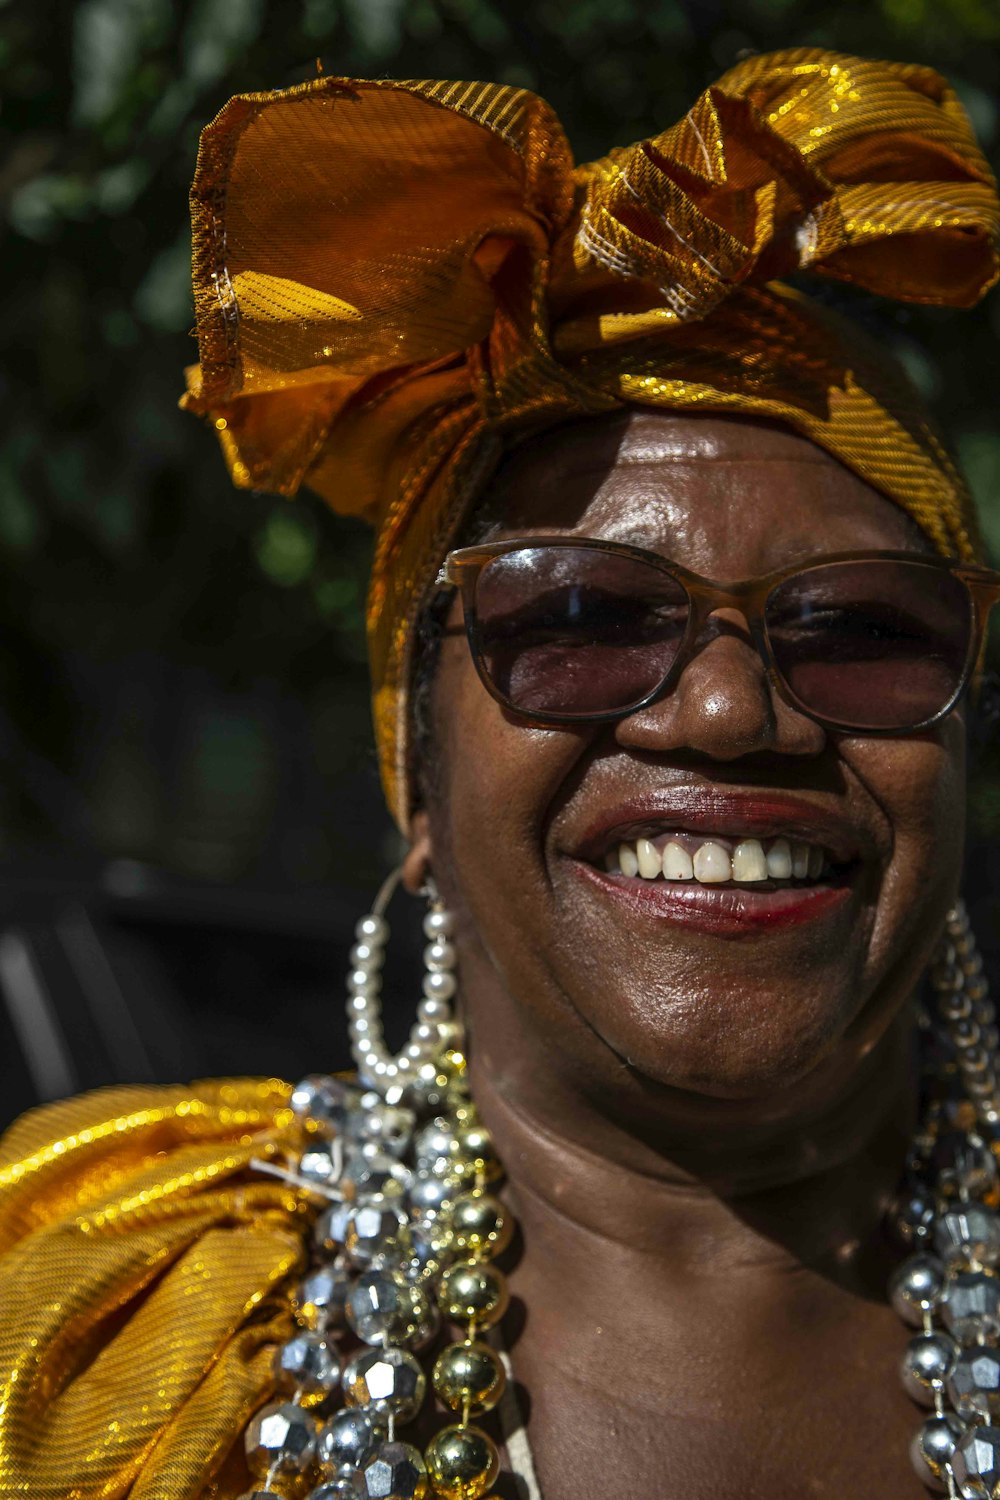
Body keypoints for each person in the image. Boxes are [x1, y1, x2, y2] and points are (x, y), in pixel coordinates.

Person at [0, 45, 998, 1500]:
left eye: (861, 633)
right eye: (585, 619)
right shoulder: (96, 1317)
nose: (730, 712)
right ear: (414, 772)